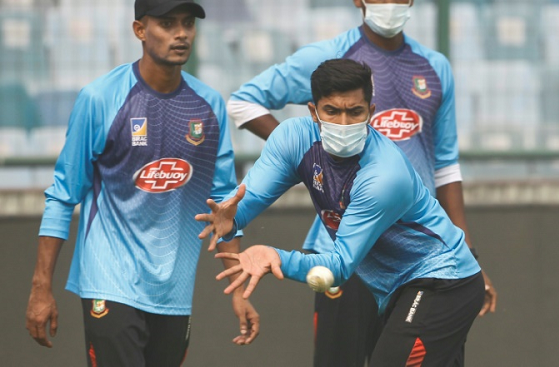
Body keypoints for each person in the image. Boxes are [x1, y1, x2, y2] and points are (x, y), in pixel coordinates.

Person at [226, 0, 497, 365]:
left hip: (418, 251)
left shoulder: (435, 67)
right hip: (343, 248)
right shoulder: (328, 59)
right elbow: (244, 103)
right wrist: (308, 154)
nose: (389, 3)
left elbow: (446, 165)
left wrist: (469, 251)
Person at [25, 0, 259, 367]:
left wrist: (239, 291)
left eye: (187, 23)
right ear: (139, 30)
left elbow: (225, 205)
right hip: (108, 280)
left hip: (174, 289)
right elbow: (63, 195)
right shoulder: (100, 99)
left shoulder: (209, 106)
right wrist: (40, 287)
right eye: (167, 24)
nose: (181, 33)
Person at [198, 58, 485, 366]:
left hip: (442, 281)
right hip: (395, 290)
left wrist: (276, 257)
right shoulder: (294, 138)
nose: (344, 123)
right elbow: (249, 197)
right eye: (332, 111)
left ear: (371, 112)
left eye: (355, 111)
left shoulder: (384, 177)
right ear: (313, 111)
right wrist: (232, 218)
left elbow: (338, 267)